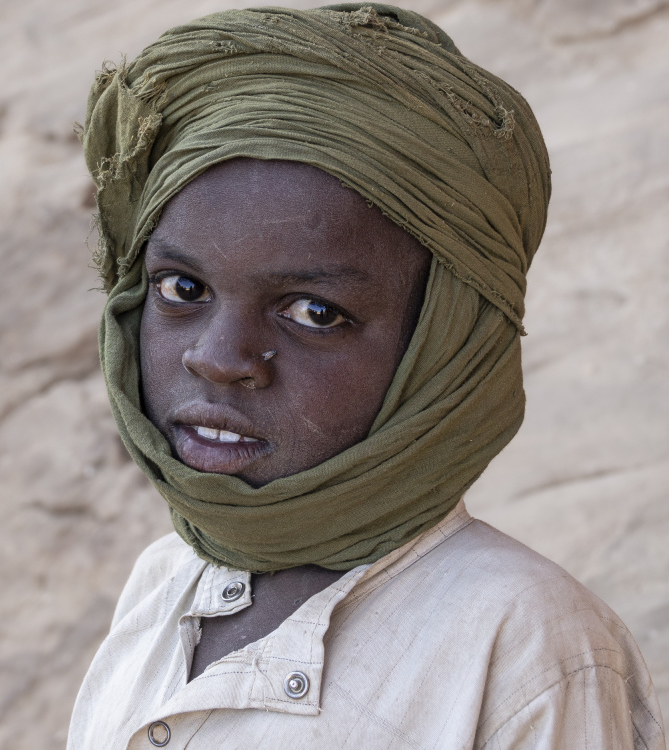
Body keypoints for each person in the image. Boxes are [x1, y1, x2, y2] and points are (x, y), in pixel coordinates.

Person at [68, 4, 665, 748]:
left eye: (315, 312)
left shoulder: (526, 646)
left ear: (440, 344)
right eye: (182, 290)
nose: (218, 357)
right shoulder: (168, 580)